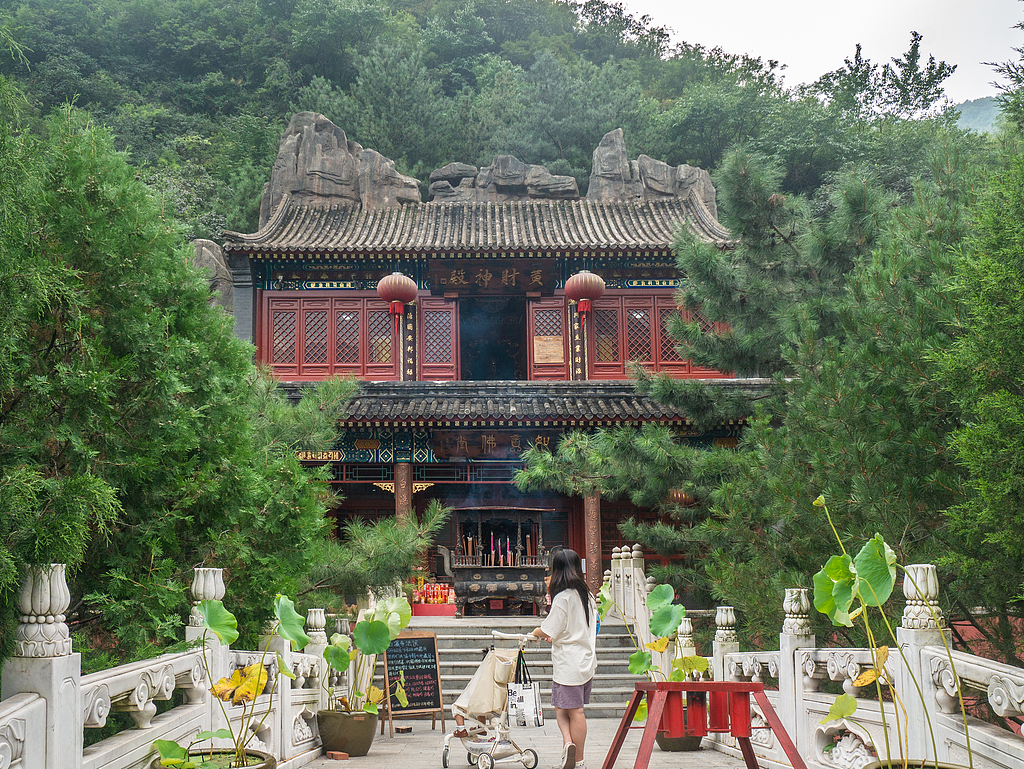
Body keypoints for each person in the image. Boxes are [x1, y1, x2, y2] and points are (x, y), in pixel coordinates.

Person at [531, 548, 597, 769]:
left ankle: (576, 756)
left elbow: (548, 628)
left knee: (569, 710)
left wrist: (535, 633)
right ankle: (569, 748)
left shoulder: (563, 597)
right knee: (569, 708)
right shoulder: (587, 596)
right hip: (585, 660)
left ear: (557, 570)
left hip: (568, 662)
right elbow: (577, 628)